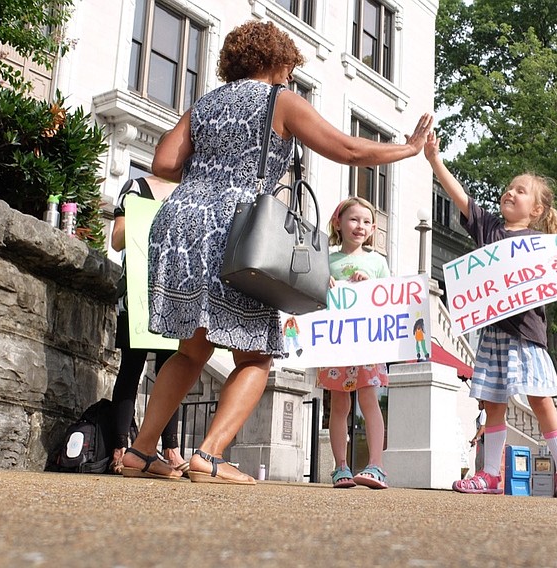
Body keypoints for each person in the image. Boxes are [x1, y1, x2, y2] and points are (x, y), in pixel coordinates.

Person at [121, 20, 433, 483]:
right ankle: (209, 456)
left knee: (190, 351)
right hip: (237, 230)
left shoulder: (205, 103)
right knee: (257, 357)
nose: (289, 76)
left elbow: (164, 163)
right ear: (277, 61)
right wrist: (407, 149)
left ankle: (141, 452)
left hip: (181, 223)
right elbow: (346, 149)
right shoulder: (278, 100)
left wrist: (208, 176)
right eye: (288, 67)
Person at [424, 131, 557, 498]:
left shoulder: (543, 244)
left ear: (537, 210)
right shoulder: (488, 229)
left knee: (541, 399)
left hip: (527, 336)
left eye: (521, 190)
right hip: (493, 335)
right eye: (509, 188)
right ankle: (490, 474)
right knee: (493, 403)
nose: (510, 192)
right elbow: (460, 198)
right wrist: (435, 160)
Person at [108, 156, 188, 476]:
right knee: (131, 368)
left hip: (175, 294)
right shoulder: (136, 188)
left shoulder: (189, 193)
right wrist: (147, 219)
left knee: (174, 369)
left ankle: (170, 447)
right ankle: (119, 447)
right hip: (138, 293)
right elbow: (116, 240)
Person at [317, 197, 391, 490]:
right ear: (338, 222)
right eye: (353, 219)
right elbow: (314, 296)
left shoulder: (377, 262)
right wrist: (325, 284)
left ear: (373, 228)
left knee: (369, 399)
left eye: (365, 221)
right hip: (336, 343)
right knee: (338, 404)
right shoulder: (326, 261)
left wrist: (370, 286)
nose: (359, 226)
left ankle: (376, 465)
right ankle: (340, 467)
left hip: (367, 342)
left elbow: (389, 299)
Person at [470, 400, 487, 473]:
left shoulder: (484, 412)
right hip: (485, 440)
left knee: (480, 462)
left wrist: (475, 438)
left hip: (483, 441)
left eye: (479, 403)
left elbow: (482, 427)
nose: (478, 405)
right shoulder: (486, 412)